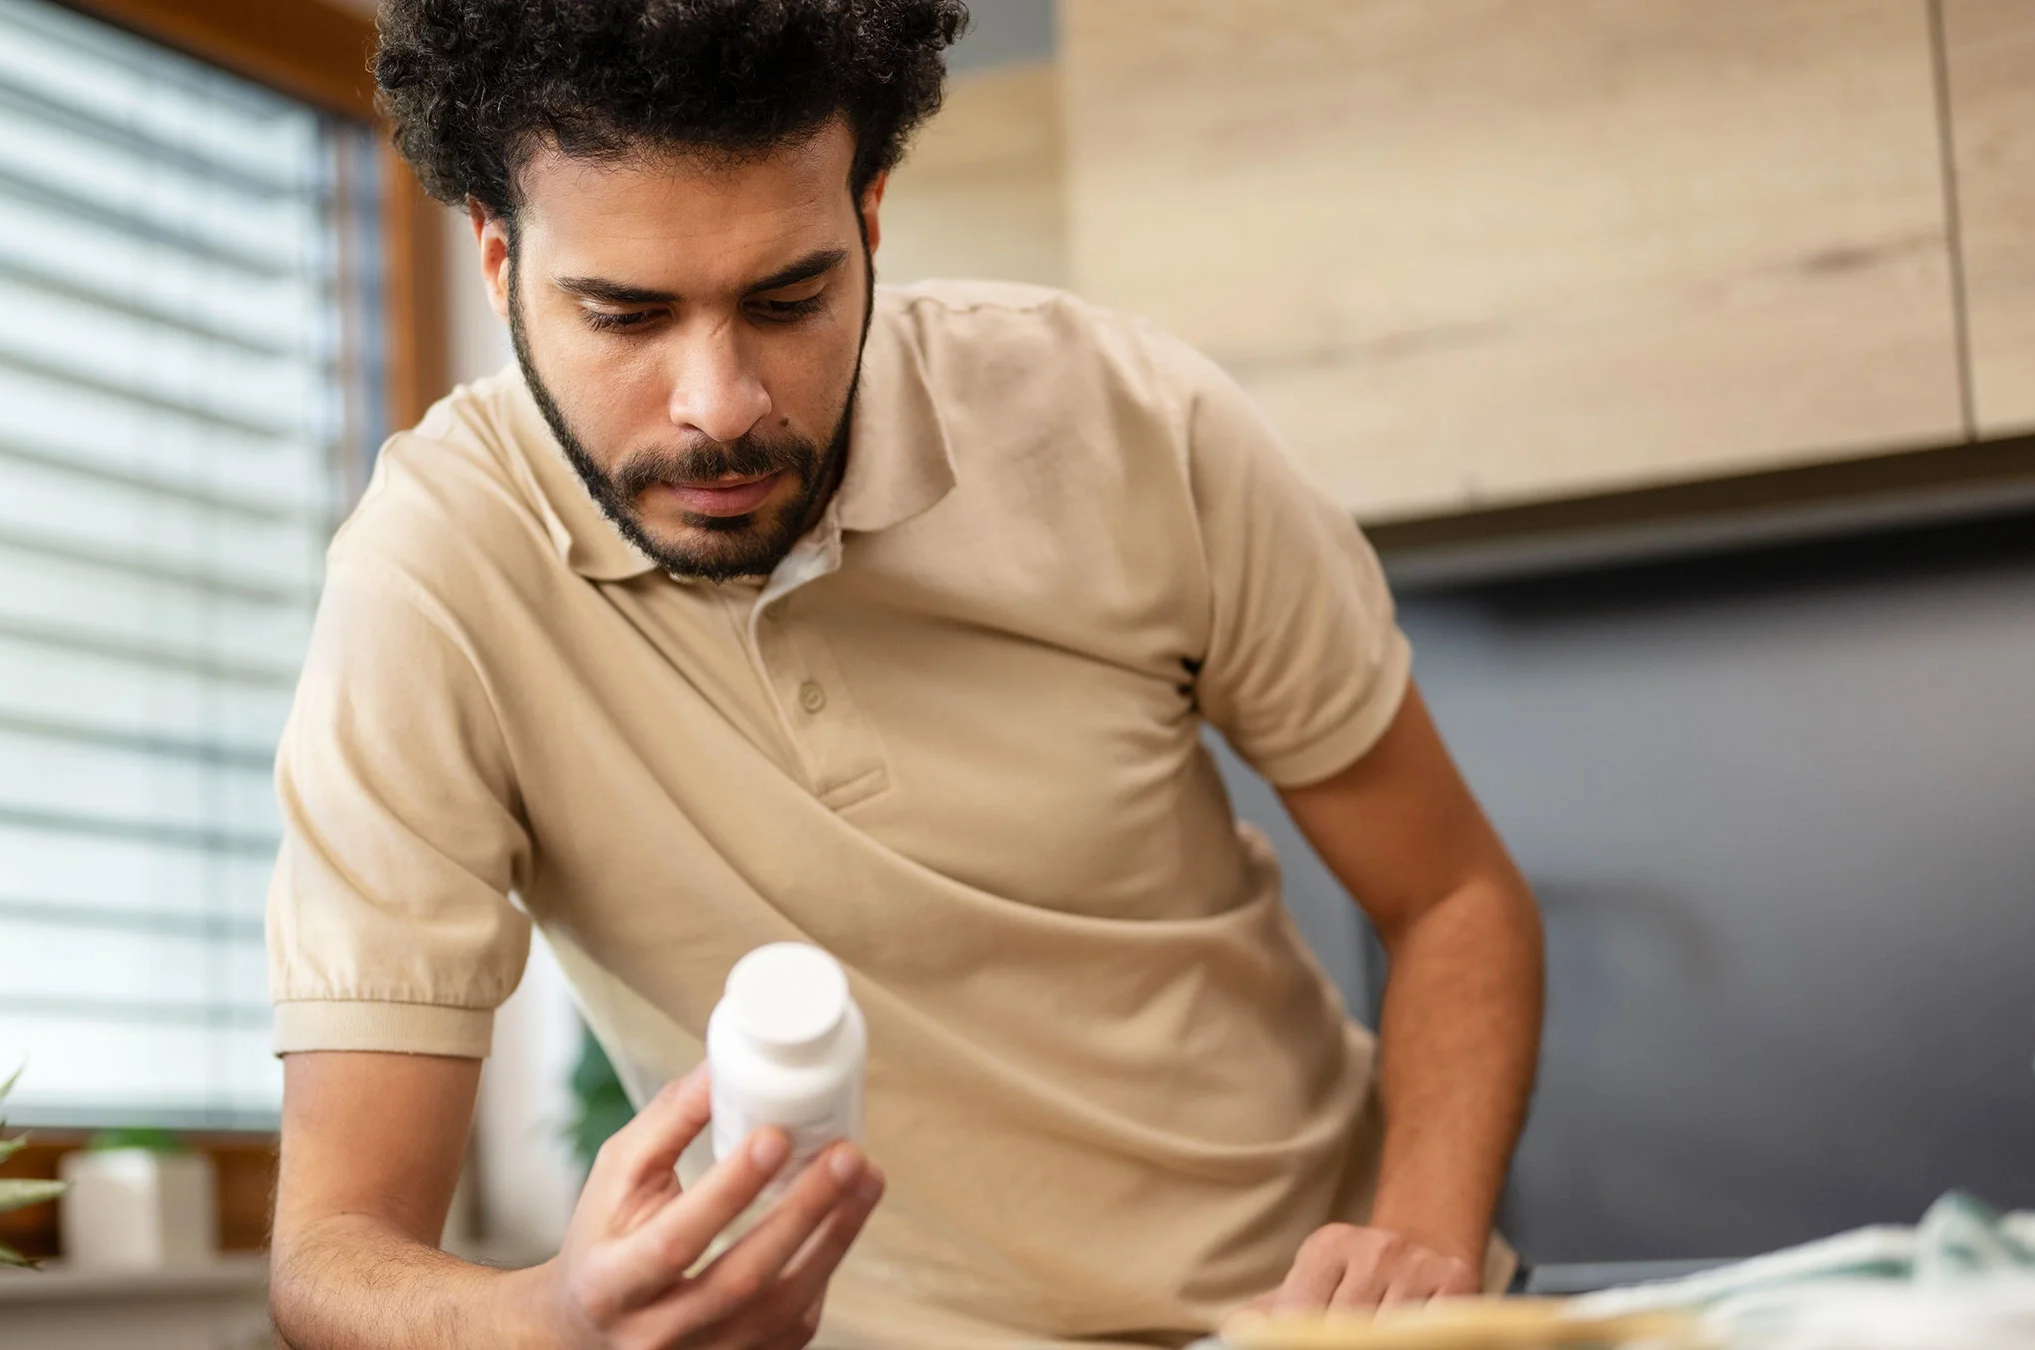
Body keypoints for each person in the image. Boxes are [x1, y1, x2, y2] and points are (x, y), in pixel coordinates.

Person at [264, 2, 1546, 1346]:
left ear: (871, 216)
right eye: (625, 314)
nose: (720, 403)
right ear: (496, 257)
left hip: (1330, 1321)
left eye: (789, 298)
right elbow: (331, 1256)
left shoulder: (1130, 423)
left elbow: (1455, 895)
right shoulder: (427, 584)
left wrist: (1422, 1239)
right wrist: (556, 1319)